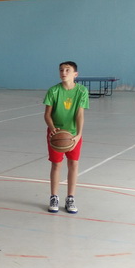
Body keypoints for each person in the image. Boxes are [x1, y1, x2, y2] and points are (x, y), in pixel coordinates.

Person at [43, 61, 89, 214]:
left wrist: (79, 134)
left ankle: (70, 198)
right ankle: (54, 197)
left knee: (73, 164)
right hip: (56, 134)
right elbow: (47, 115)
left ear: (75, 74)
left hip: (73, 134)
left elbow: (80, 114)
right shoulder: (53, 91)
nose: (63, 72)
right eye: (61, 70)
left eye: (67, 70)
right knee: (56, 165)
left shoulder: (82, 91)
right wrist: (52, 128)